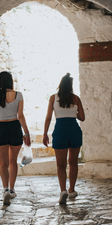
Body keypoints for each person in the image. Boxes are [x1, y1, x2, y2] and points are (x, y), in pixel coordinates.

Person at [0, 71, 31, 205]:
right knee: (13, 162)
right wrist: (27, 133)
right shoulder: (18, 95)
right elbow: (21, 116)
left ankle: (5, 189)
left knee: (2, 163)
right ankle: (12, 190)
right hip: (14, 128)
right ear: (10, 82)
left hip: (0, 128)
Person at [43, 73, 85, 204]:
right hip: (73, 129)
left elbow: (49, 118)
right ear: (71, 86)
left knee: (60, 165)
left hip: (60, 129)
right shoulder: (76, 99)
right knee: (73, 162)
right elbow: (82, 117)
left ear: (60, 85)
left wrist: (45, 134)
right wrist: (73, 113)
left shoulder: (53, 98)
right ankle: (72, 190)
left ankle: (63, 190)